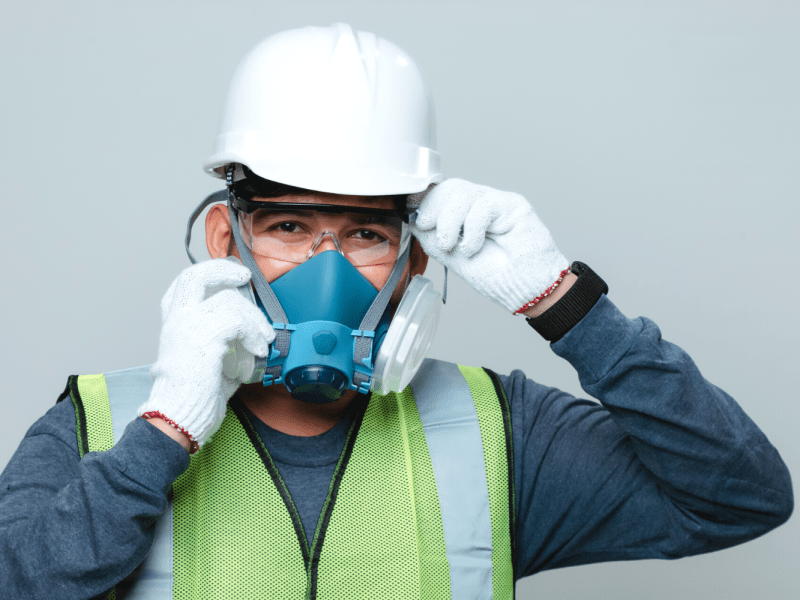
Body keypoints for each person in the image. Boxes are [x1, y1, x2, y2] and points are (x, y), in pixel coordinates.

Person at [0, 23, 792, 600]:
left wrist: (562, 300)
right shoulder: (100, 424)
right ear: (222, 239)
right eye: (287, 226)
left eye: (366, 233)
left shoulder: (499, 434)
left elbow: (739, 497)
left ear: (415, 258)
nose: (329, 267)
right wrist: (164, 432)